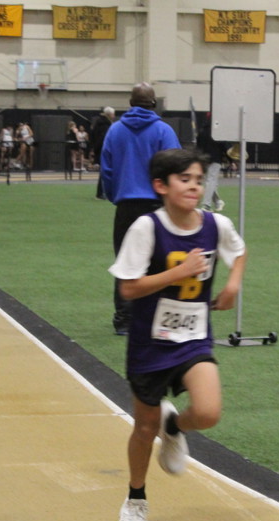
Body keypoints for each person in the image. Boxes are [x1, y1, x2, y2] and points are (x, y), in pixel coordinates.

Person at [109, 148, 247, 521]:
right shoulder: (147, 228)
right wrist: (179, 272)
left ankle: (175, 425)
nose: (193, 187)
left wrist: (232, 284)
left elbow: (238, 251)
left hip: (194, 337)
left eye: (198, 180)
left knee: (208, 412)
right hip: (150, 344)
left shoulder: (215, 225)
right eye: (184, 179)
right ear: (161, 186)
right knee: (143, 428)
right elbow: (128, 288)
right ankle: (135, 501)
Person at [101, 83, 181, 335]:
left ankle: (124, 320)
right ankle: (157, 316)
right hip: (157, 205)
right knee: (161, 262)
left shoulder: (115, 130)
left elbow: (107, 170)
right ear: (154, 103)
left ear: (130, 103)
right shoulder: (164, 131)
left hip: (126, 205)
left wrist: (116, 196)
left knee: (126, 262)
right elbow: (176, 168)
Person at [197, 115, 225, 212]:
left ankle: (208, 204)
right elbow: (223, 146)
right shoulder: (218, 132)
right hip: (216, 159)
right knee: (210, 181)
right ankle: (215, 202)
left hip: (204, 159)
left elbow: (198, 147)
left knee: (209, 181)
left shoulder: (201, 132)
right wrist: (230, 160)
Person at [89, 106, 115, 200]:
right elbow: (103, 139)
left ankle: (102, 192)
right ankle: (102, 193)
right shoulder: (106, 126)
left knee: (103, 172)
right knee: (105, 172)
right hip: (103, 150)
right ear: (109, 114)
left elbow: (92, 137)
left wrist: (94, 149)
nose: (114, 116)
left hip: (99, 150)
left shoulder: (97, 124)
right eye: (113, 114)